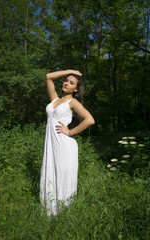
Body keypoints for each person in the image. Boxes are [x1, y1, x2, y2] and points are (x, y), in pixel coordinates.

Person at [40, 69, 95, 216]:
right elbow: (48, 76)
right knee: (51, 171)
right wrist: (70, 71)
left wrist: (70, 132)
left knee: (63, 175)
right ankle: (50, 211)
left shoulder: (73, 102)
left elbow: (90, 119)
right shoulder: (54, 99)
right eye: (66, 80)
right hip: (51, 144)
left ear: (75, 89)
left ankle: (64, 213)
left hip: (64, 144)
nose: (66, 83)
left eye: (71, 82)